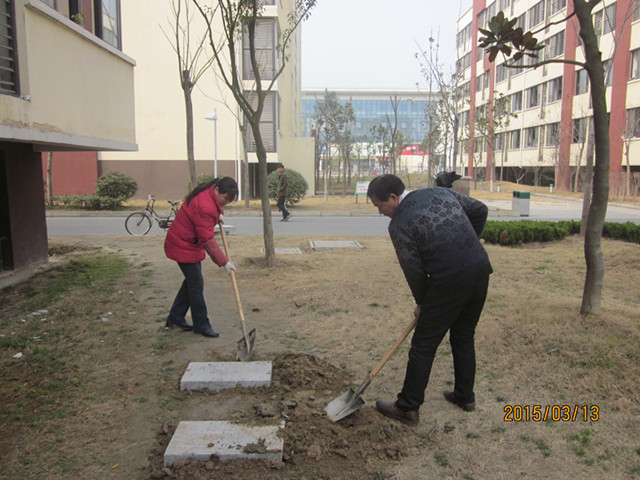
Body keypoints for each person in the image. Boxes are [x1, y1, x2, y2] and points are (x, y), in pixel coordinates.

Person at [367, 174, 493, 426]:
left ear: (393, 198)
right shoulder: (439, 193)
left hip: (448, 281)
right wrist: (468, 242)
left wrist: (422, 302)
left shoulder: (399, 224)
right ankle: (465, 396)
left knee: (423, 344)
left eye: (379, 206)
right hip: (479, 270)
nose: (380, 212)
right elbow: (480, 210)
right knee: (463, 335)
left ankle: (407, 407)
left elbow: (413, 270)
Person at [164, 177, 239, 338]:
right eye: (225, 198)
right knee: (196, 284)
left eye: (229, 200)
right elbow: (207, 239)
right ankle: (201, 324)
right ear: (217, 190)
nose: (226, 202)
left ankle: (176, 317)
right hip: (182, 244)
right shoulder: (205, 206)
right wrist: (224, 262)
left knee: (192, 282)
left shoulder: (209, 193)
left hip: (188, 242)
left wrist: (217, 216)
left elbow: (212, 209)